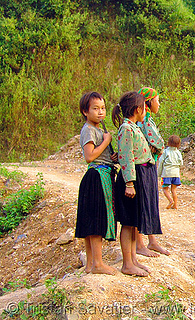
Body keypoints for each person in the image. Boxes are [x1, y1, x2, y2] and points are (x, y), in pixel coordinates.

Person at [112, 91, 159, 277]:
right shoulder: (126, 129)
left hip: (138, 177)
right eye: (144, 107)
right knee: (128, 223)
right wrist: (129, 183)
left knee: (133, 224)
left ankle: (133, 259)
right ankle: (127, 263)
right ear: (138, 109)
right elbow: (127, 157)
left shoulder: (134, 127)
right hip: (131, 180)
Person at [75, 91, 118, 275]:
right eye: (95, 109)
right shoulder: (89, 130)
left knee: (91, 219)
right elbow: (89, 156)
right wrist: (107, 141)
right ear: (85, 111)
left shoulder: (98, 129)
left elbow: (100, 154)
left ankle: (90, 264)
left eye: (103, 108)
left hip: (102, 174)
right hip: (97, 177)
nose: (100, 112)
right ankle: (98, 264)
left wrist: (112, 156)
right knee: (96, 220)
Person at [135, 87, 170, 257]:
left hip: (147, 165)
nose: (159, 104)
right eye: (157, 100)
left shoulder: (144, 120)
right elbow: (157, 142)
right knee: (144, 203)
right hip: (144, 167)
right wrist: (160, 147)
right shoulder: (145, 122)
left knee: (148, 203)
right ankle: (142, 244)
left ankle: (151, 241)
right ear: (148, 102)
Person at [158, 135, 183, 209]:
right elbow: (181, 163)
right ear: (178, 144)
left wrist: (159, 173)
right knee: (174, 189)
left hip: (166, 173)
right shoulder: (178, 152)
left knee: (165, 188)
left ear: (168, 143)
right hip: (176, 173)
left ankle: (170, 201)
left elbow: (161, 162)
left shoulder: (165, 152)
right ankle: (175, 205)